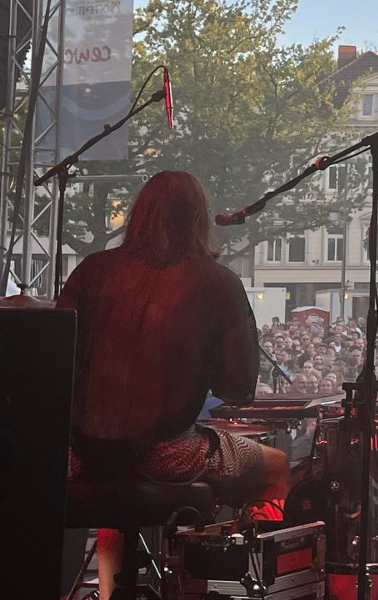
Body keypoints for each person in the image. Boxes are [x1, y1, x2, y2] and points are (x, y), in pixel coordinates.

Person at [58, 172, 291, 600]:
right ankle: (250, 584)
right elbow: (238, 388)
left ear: (138, 214)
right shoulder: (217, 282)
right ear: (199, 220)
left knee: (117, 490)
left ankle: (112, 593)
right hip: (164, 453)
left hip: (78, 453)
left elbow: (54, 362)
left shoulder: (92, 270)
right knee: (275, 466)